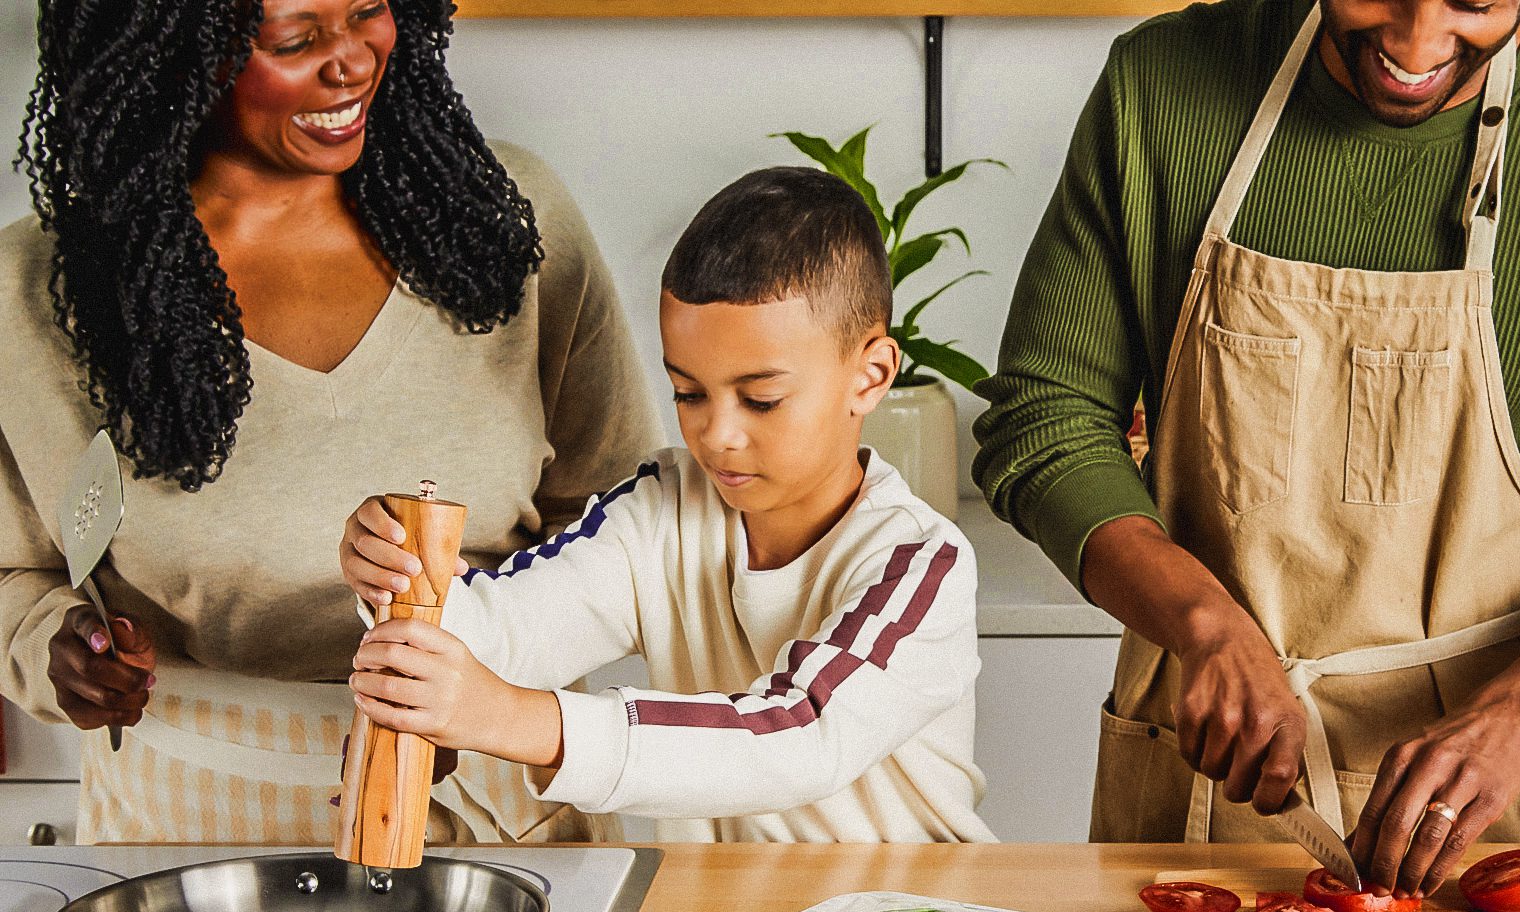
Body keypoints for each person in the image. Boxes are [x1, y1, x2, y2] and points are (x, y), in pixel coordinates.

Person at [974, 0, 1520, 890]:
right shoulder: (1161, 90)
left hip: (1468, 821)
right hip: (1188, 782)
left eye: (1473, 2)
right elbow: (1044, 416)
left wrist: (1517, 713)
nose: (1414, 43)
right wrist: (1201, 621)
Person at [0, 0, 660, 845]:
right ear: (173, 45)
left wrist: (475, 670)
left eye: (368, 11)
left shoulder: (501, 220)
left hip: (500, 823)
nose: (350, 59)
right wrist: (61, 651)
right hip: (190, 843)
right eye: (295, 38)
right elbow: (12, 574)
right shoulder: (45, 294)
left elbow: (626, 519)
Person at [338, 168, 993, 842]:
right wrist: (397, 573)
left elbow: (797, 732)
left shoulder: (921, 565)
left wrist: (508, 717)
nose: (717, 433)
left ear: (872, 375)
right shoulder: (660, 510)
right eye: (688, 393)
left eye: (761, 399)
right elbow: (507, 630)